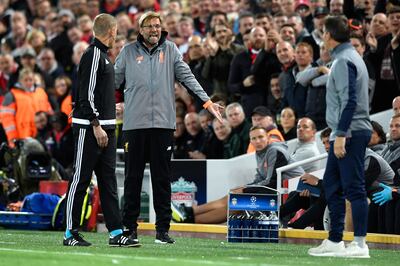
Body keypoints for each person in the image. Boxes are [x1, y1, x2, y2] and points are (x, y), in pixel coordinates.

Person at [114, 11, 223, 245]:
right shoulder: (127, 52)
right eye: (149, 26)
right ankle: (129, 229)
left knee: (162, 179)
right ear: (140, 29)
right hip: (134, 126)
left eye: (157, 25)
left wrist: (207, 102)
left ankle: (162, 230)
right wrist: (87, 104)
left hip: (163, 126)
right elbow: (111, 82)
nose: (154, 29)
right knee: (132, 179)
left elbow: (188, 78)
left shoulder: (171, 50)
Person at [63, 14, 138, 248]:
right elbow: (84, 96)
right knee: (80, 179)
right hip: (90, 129)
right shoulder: (94, 55)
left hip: (104, 127)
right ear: (112, 31)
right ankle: (70, 233)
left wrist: (109, 109)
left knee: (108, 182)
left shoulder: (102, 56)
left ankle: (116, 232)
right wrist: (96, 124)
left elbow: (94, 94)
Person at [308, 16, 372, 258]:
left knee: (354, 188)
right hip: (343, 131)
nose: (322, 36)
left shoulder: (345, 60)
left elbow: (350, 101)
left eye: (323, 32)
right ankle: (335, 240)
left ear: (328, 35)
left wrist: (342, 134)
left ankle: (360, 244)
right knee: (333, 186)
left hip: (350, 132)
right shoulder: (346, 57)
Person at [172, 126, 304, 224]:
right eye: (254, 138)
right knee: (234, 195)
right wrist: (244, 187)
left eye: (261, 137)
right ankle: (190, 213)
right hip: (277, 193)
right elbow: (260, 179)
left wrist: (246, 189)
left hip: (291, 195)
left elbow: (272, 182)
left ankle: (192, 218)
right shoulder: (260, 153)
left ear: (268, 138)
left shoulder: (275, 151)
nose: (257, 141)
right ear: (250, 141)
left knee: (238, 204)